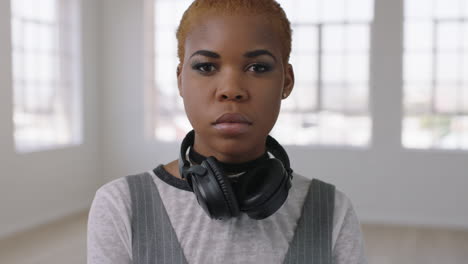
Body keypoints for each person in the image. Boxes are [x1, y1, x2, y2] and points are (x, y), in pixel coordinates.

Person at [87, 0, 368, 263]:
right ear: (180, 81)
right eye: (206, 66)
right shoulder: (121, 206)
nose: (231, 89)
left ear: (287, 81)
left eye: (258, 67)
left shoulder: (332, 210)